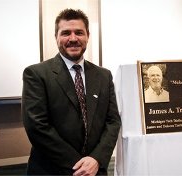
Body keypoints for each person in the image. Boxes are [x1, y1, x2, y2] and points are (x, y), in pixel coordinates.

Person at [21, 9, 121, 176]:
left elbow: (112, 122)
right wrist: (79, 166)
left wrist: (96, 159)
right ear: (56, 37)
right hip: (52, 170)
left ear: (88, 35)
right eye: (66, 33)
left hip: (95, 169)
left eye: (79, 33)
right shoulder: (36, 74)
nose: (73, 39)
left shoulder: (104, 75)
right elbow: (37, 127)